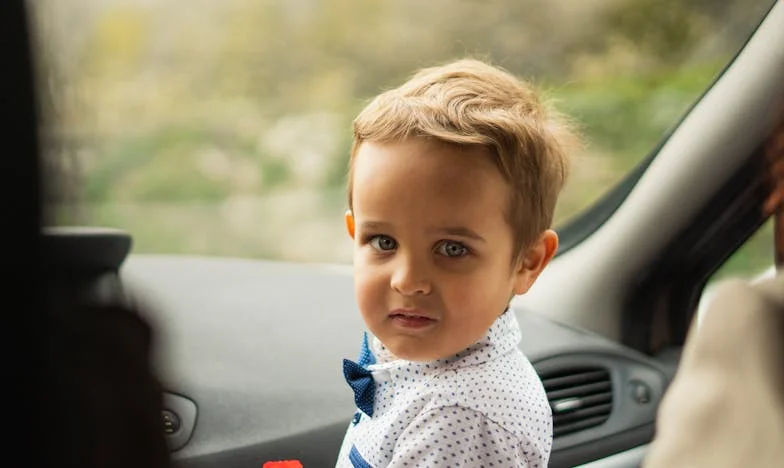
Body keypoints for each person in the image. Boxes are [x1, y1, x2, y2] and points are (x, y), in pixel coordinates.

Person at [336, 58, 581, 467]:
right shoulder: (429, 362)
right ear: (353, 233)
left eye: (452, 249)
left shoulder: (458, 420)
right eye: (383, 241)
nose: (408, 280)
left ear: (527, 262)